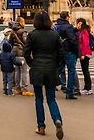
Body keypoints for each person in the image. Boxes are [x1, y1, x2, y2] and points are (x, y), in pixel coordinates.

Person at [23, 11, 64, 139]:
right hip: (51, 69)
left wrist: (32, 64)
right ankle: (57, 119)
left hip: (37, 69)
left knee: (39, 99)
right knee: (51, 98)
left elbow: (26, 52)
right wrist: (55, 65)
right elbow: (61, 54)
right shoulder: (55, 35)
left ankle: (41, 126)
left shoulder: (32, 35)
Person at [55, 11, 79, 99]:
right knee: (71, 71)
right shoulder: (68, 26)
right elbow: (72, 39)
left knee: (59, 69)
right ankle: (69, 92)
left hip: (60, 51)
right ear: (67, 17)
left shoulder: (57, 26)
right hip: (68, 51)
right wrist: (76, 50)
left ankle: (49, 85)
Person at [9, 16, 34, 96]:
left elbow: (10, 41)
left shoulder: (12, 31)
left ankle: (17, 88)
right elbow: (26, 42)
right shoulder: (23, 31)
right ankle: (24, 89)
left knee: (17, 71)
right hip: (22, 52)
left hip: (15, 52)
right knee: (23, 71)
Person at [76, 18, 93, 95]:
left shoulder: (84, 31)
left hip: (85, 53)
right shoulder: (82, 31)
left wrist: (82, 54)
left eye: (78, 23)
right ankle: (87, 88)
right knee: (85, 71)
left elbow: (85, 43)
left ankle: (88, 88)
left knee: (85, 71)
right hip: (84, 53)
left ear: (80, 23)